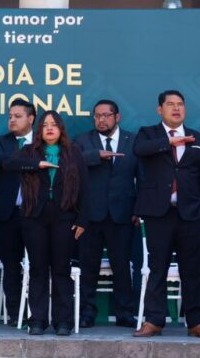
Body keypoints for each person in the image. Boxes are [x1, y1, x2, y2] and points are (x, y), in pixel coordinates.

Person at [133, 90, 200, 339]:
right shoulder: (148, 134)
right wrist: (168, 142)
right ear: (160, 109)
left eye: (180, 104)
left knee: (192, 270)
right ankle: (154, 320)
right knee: (157, 269)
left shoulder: (199, 138)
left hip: (191, 214)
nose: (176, 108)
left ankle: (195, 321)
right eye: (170, 104)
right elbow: (140, 150)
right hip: (159, 214)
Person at [3, 111, 89, 336]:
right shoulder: (29, 151)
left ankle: (63, 322)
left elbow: (86, 188)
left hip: (65, 217)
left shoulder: (74, 152)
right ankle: (38, 320)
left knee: (61, 270)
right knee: (38, 270)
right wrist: (36, 164)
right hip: (34, 218)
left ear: (61, 129)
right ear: (39, 130)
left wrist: (82, 220)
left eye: (54, 125)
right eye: (45, 125)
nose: (50, 128)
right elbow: (9, 165)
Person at [74, 99, 138, 328]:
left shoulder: (132, 140)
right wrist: (95, 156)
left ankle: (124, 313)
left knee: (121, 266)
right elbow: (71, 163)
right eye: (97, 116)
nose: (101, 119)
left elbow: (143, 176)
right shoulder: (83, 140)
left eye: (106, 115)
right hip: (90, 215)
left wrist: (138, 210)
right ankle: (87, 313)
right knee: (88, 266)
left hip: (122, 214)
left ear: (117, 117)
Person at [0, 99, 35, 325]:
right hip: (7, 214)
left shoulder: (44, 141)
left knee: (38, 264)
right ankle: (17, 314)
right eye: (10, 116)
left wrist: (21, 160)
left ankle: (37, 313)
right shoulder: (0, 141)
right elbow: (0, 161)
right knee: (11, 264)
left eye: (18, 116)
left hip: (37, 213)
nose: (12, 120)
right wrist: (32, 161)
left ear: (31, 118)